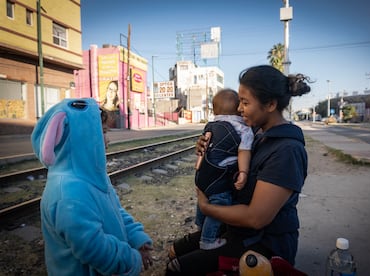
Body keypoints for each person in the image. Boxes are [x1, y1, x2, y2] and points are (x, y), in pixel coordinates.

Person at [166, 65, 311, 275]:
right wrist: (209, 149)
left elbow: (256, 218)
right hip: (238, 229)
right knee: (174, 251)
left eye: (245, 102)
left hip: (265, 243)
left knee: (177, 268)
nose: (239, 109)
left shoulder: (286, 151)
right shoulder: (256, 134)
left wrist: (206, 208)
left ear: (270, 104)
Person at [31, 98, 153, 276]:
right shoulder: (68, 193)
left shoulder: (91, 177)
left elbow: (116, 211)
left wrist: (137, 238)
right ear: (83, 136)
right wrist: (133, 259)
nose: (107, 140)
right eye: (102, 132)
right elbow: (94, 248)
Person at [194, 89, 254, 250]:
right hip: (220, 178)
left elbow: (205, 149)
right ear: (238, 109)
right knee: (220, 204)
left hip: (203, 175)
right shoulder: (244, 129)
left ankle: (200, 225)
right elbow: (244, 151)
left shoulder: (211, 125)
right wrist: (243, 172)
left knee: (204, 198)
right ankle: (207, 240)